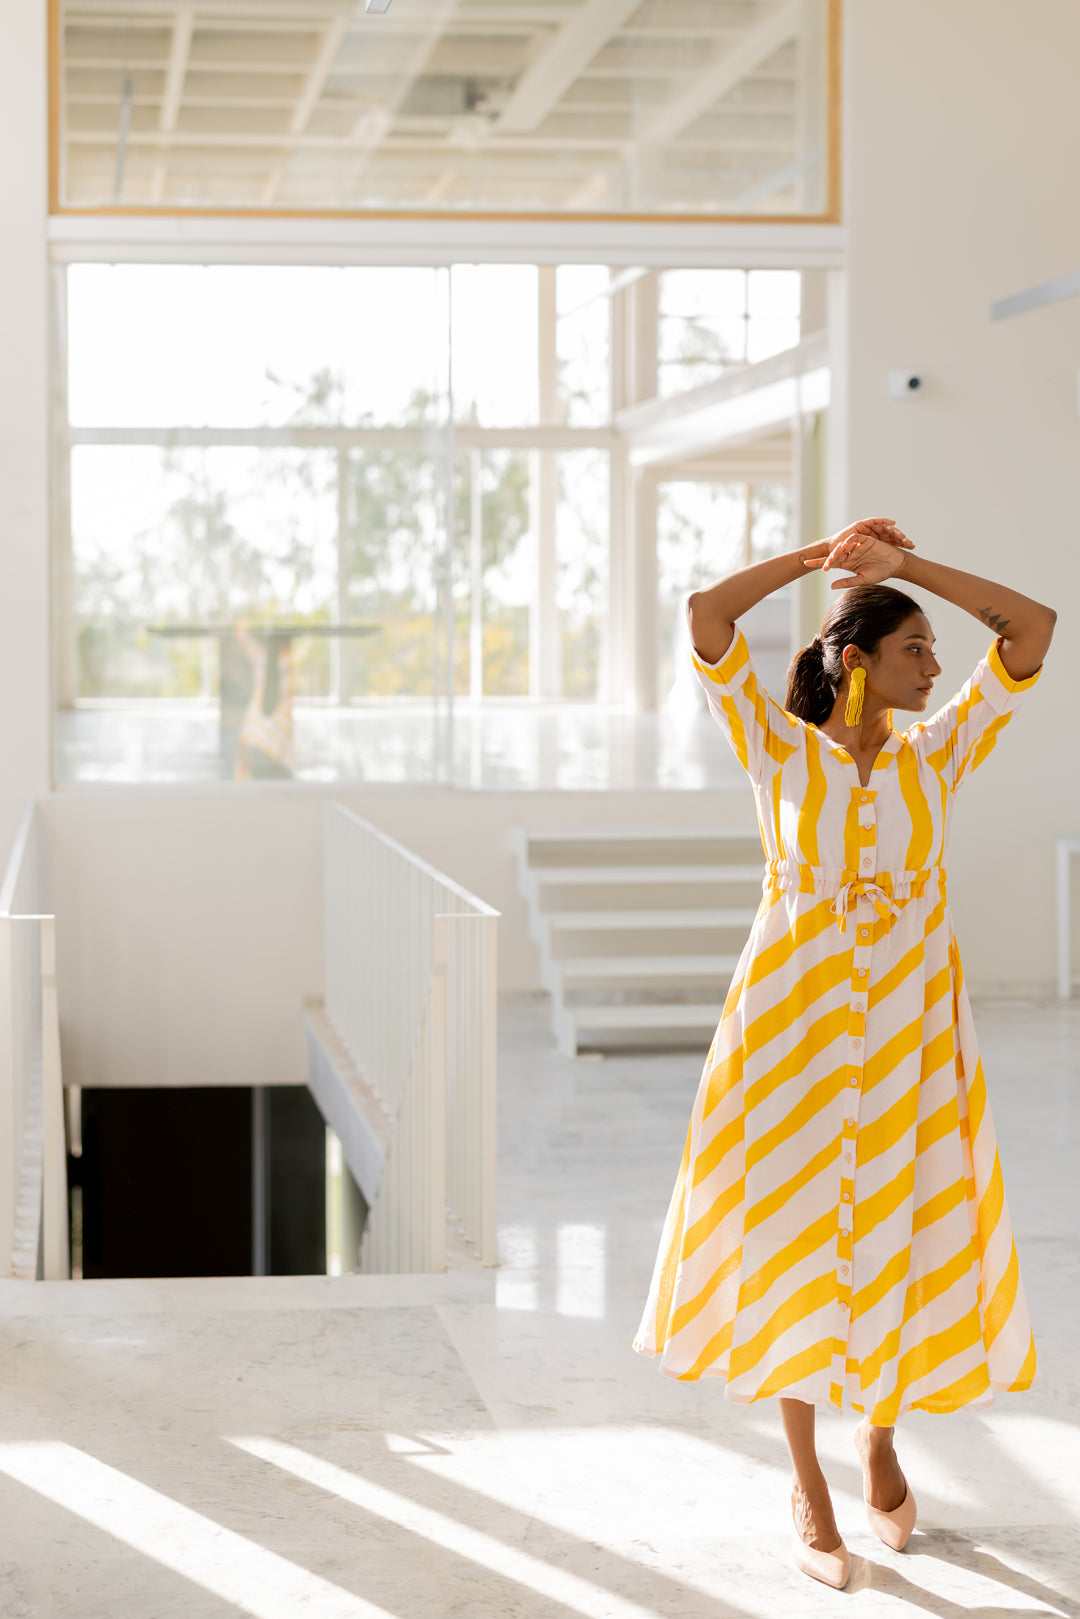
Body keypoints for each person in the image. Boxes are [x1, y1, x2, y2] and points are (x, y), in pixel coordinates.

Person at [633, 518, 1055, 1589]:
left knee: (897, 1234)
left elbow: (1034, 627)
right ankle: (808, 1482)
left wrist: (907, 570)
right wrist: (817, 558)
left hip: (912, 1037)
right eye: (917, 648)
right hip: (787, 1039)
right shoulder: (774, 747)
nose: (937, 666)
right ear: (856, 659)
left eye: (936, 650)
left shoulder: (940, 751)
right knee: (790, 1240)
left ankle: (878, 1436)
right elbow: (707, 616)